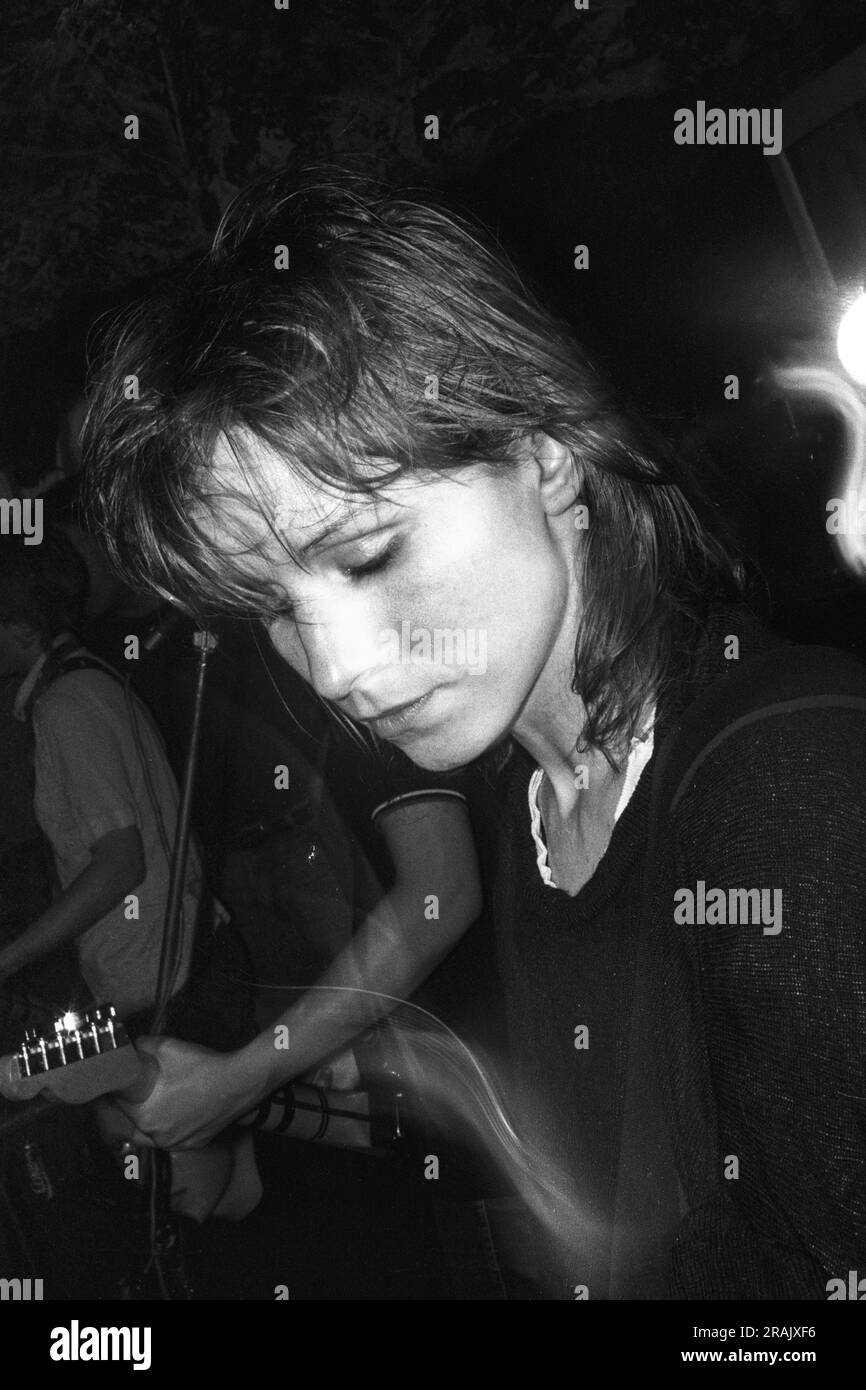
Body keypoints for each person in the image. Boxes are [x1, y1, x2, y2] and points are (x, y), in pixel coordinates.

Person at [74, 167, 865, 1300]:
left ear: (543, 452)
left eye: (366, 555)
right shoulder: (539, 807)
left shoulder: (789, 793)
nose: (336, 668)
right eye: (272, 609)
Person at [0, 530, 201, 1018]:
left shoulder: (67, 705)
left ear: (25, 631)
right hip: (162, 968)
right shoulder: (89, 682)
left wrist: (8, 960)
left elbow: (120, 865)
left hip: (152, 980)